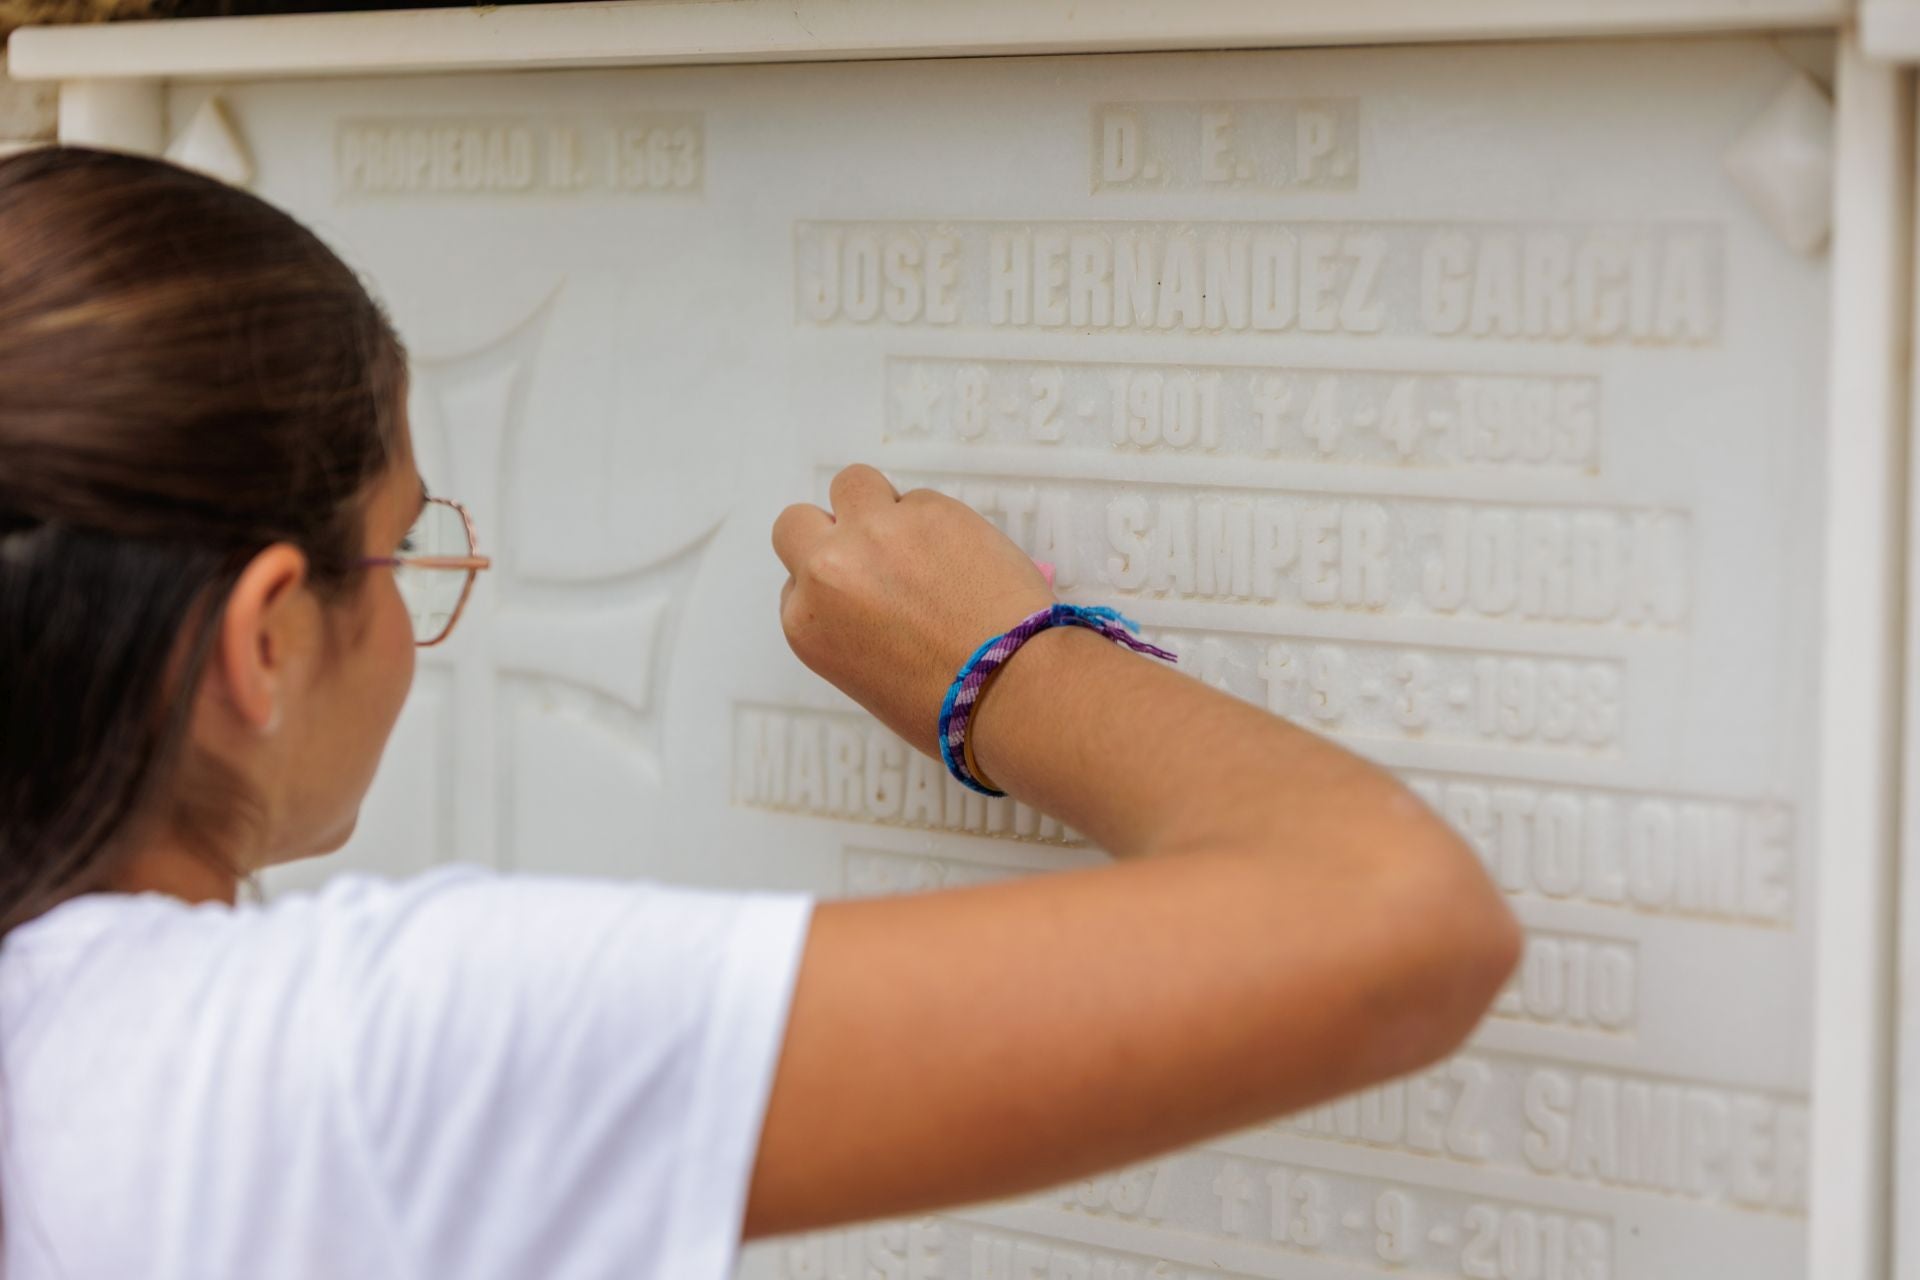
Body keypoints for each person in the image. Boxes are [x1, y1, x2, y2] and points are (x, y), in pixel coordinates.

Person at [0, 145, 1519, 1278]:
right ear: (266, 640)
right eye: (403, 552)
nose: (418, 619)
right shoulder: (329, 1066)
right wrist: (1009, 667)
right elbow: (1399, 921)